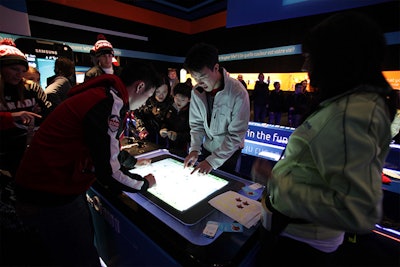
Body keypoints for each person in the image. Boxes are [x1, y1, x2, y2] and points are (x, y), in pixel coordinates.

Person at [251, 11, 396, 266]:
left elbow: (357, 211)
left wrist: (279, 183)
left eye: (309, 58)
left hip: (301, 246)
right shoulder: (344, 104)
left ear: (337, 59)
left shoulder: (350, 114)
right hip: (294, 234)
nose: (304, 67)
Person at [15, 63, 162, 266]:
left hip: (43, 186)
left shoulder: (99, 94)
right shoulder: (109, 101)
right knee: (80, 257)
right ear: (140, 87)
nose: (146, 101)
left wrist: (132, 161)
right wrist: (144, 184)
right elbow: (108, 172)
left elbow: (100, 147)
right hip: (51, 193)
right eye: (149, 95)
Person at [183, 43, 250, 175]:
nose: (199, 82)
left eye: (202, 77)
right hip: (207, 147)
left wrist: (212, 162)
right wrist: (195, 149)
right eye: (195, 78)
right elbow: (196, 125)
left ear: (216, 68)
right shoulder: (197, 92)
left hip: (229, 153)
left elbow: (236, 135)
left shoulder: (238, 93)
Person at [134, 74, 174, 146]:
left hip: (167, 142)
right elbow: (137, 115)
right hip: (147, 139)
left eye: (164, 92)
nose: (161, 95)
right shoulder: (146, 101)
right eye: (158, 92)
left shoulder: (172, 103)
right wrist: (142, 129)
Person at [159, 82, 192, 158]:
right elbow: (165, 121)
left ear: (189, 99)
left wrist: (178, 136)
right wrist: (163, 129)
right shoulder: (170, 107)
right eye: (177, 98)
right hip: (168, 145)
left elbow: (192, 133)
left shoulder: (191, 112)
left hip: (185, 149)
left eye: (183, 100)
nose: (179, 102)